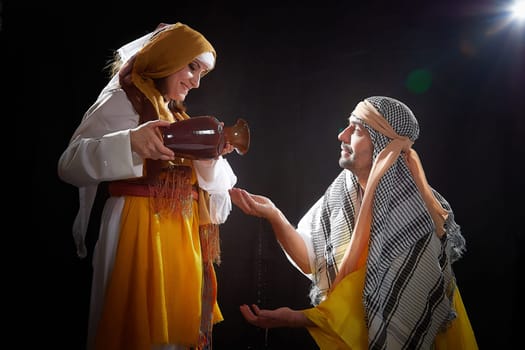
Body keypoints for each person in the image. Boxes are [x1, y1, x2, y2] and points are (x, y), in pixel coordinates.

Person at [229, 96, 478, 349]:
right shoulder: (345, 189)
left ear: (382, 144)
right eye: (347, 126)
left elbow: (382, 292)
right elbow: (311, 260)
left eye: (357, 129)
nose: (343, 136)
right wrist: (274, 215)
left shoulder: (411, 206)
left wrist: (299, 318)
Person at [58, 22, 238, 350]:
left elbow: (217, 206)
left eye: (203, 73)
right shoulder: (120, 101)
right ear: (168, 59)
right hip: (135, 233)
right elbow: (68, 165)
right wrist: (130, 143)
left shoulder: (178, 118)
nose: (197, 82)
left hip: (182, 242)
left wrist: (208, 161)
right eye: (192, 67)